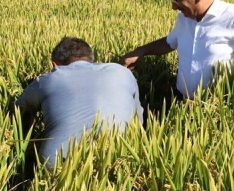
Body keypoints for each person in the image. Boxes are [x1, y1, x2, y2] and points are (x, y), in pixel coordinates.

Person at [15, 37, 143, 169]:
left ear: (55, 64)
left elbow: (19, 110)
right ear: (91, 59)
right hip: (120, 157)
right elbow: (137, 119)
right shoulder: (123, 73)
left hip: (57, 162)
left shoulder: (46, 79)